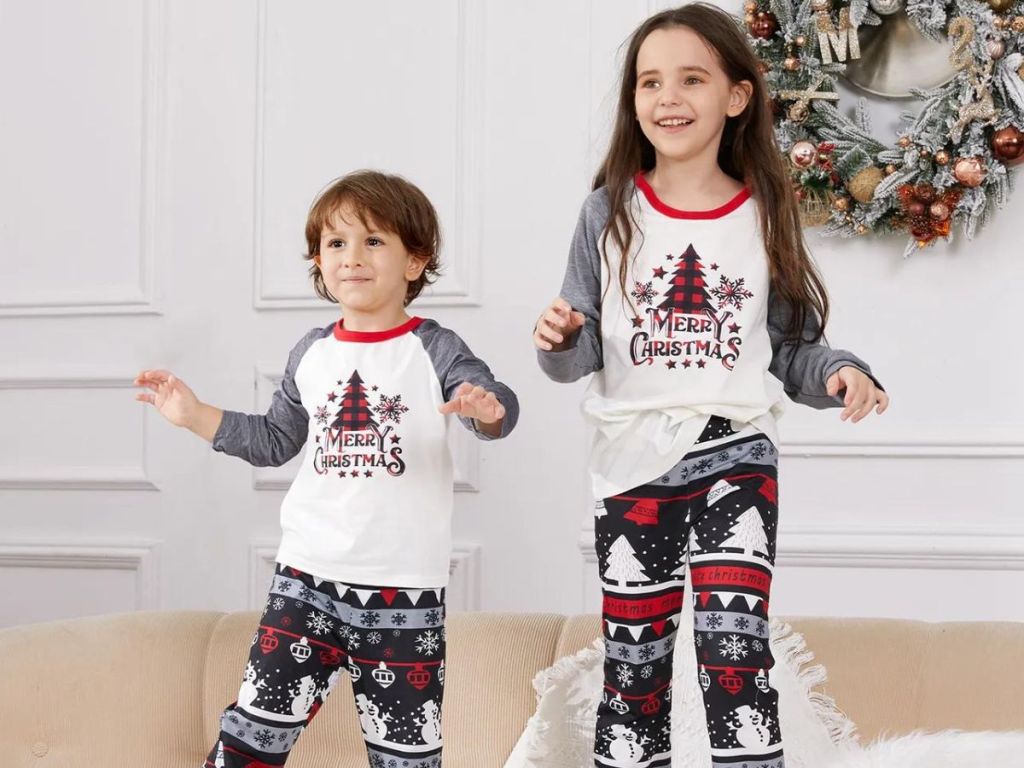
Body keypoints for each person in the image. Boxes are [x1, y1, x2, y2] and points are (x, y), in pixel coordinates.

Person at [533, 5, 888, 767]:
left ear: (736, 96)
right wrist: (559, 340)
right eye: (650, 81)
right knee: (635, 667)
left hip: (737, 451)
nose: (669, 98)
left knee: (735, 652)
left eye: (692, 79)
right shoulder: (607, 212)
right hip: (632, 461)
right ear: (634, 100)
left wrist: (841, 373)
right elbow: (581, 349)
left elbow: (795, 348)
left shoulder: (765, 211)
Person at [135, 170, 519, 768]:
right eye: (336, 244)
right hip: (306, 583)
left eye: (374, 242)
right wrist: (193, 414)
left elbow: (490, 402)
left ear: (415, 263)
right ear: (319, 260)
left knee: (407, 756)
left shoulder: (434, 347)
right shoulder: (311, 351)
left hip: (405, 595)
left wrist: (484, 410)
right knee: (252, 736)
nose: (353, 258)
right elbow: (271, 440)